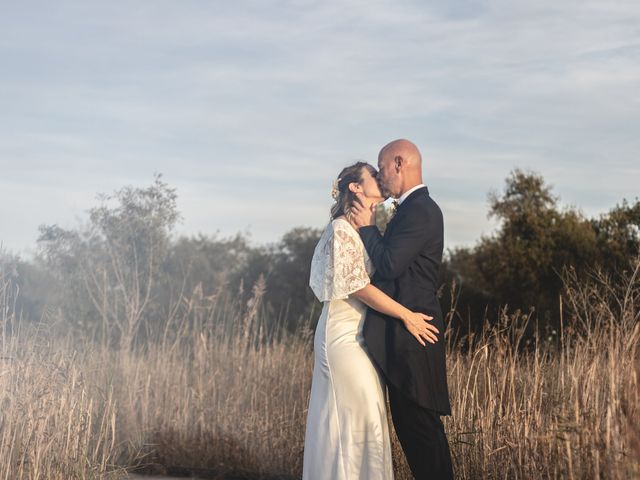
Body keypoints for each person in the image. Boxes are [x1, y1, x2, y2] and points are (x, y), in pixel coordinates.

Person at [303, 161, 440, 480]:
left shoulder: (366, 228)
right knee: (351, 420)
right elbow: (360, 288)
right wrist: (407, 316)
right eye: (373, 176)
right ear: (355, 187)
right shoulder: (340, 229)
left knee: (368, 420)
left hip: (363, 338)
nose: (380, 179)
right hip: (342, 337)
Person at [351, 139, 454, 479]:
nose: (381, 178)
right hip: (405, 336)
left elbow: (391, 263)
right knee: (416, 434)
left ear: (399, 163)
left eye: (382, 169)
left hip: (415, 335)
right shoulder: (411, 209)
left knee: (423, 434)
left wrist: (367, 227)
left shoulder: (421, 210)